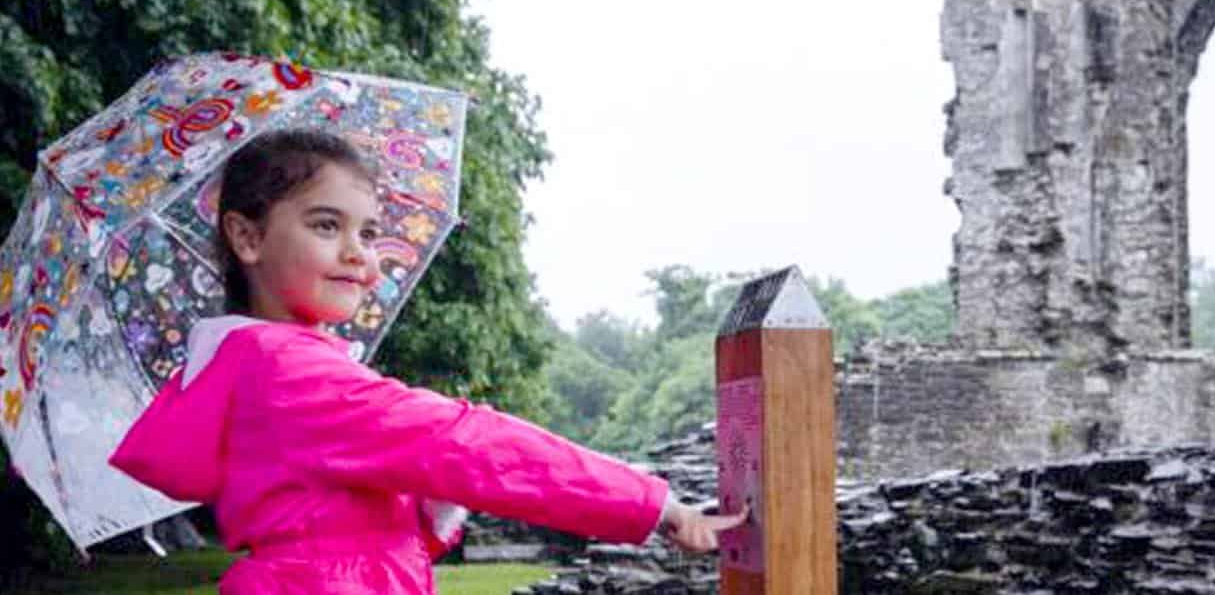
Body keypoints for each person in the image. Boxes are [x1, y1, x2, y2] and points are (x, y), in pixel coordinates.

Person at [110, 129, 743, 593]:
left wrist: (427, 505)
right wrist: (650, 504)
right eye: (327, 226)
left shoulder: (260, 366)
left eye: (367, 230)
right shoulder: (288, 371)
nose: (360, 253)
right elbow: (469, 443)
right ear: (247, 236)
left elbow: (351, 527)